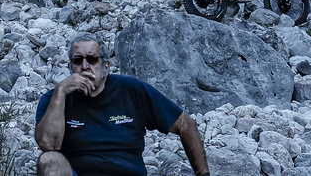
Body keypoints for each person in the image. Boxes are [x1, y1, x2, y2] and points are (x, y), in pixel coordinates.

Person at [35, 35, 207, 176]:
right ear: (70, 66)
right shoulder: (54, 99)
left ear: (106, 66)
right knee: (49, 160)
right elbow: (48, 146)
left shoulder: (131, 89)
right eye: (78, 60)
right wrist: (60, 92)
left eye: (92, 60)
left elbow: (186, 124)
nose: (85, 66)